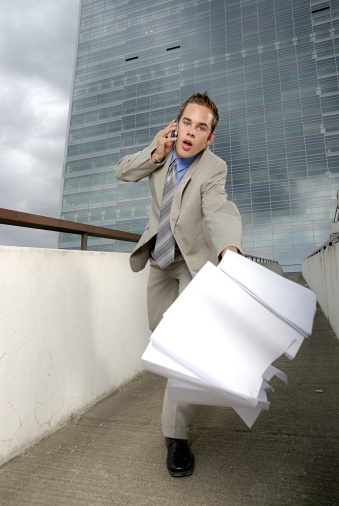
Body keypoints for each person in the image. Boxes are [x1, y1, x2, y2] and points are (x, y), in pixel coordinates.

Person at [116, 92, 242, 477]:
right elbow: (123, 171)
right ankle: (192, 370)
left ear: (210, 137)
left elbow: (218, 209)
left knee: (185, 348)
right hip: (160, 260)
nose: (191, 132)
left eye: (201, 127)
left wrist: (230, 250)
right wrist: (155, 152)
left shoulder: (213, 168)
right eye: (186, 123)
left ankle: (176, 437)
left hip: (193, 263)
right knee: (162, 335)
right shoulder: (162, 153)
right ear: (177, 124)